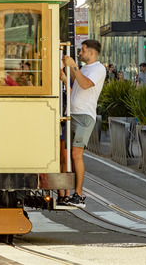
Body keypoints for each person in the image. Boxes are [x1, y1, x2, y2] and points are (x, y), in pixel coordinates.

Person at [58, 39, 107, 208]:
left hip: (85, 116)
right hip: (71, 114)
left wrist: (74, 67)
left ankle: (78, 194)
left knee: (76, 155)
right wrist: (66, 74)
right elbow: (76, 82)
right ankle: (64, 194)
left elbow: (85, 84)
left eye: (83, 50)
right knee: (64, 156)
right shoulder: (85, 68)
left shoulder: (99, 68)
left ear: (91, 52)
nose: (80, 53)